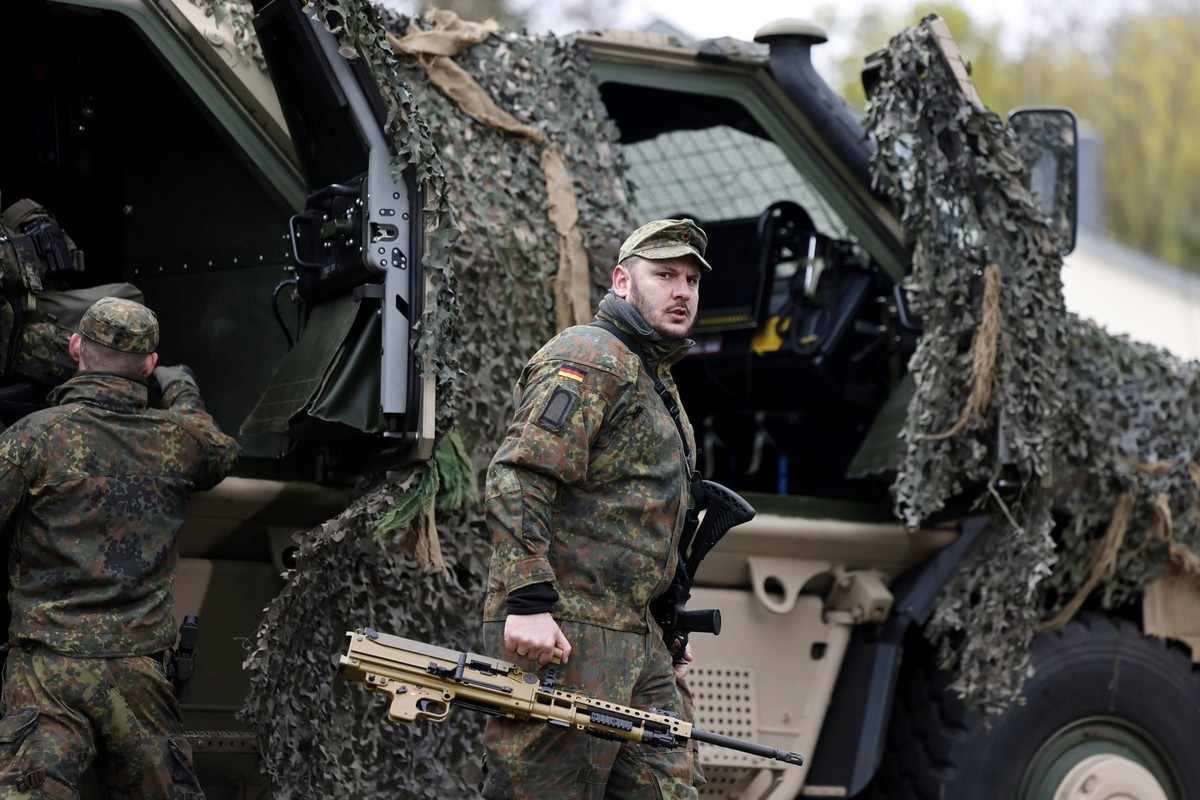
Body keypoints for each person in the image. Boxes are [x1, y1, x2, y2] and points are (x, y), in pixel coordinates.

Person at [481, 219, 712, 799]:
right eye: (664, 275)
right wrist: (528, 602)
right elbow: (520, 475)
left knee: (669, 787)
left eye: (691, 280)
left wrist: (661, 626)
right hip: (566, 631)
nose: (682, 292)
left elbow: (638, 518)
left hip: (634, 636)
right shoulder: (591, 357)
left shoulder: (652, 376)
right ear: (622, 281)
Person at [0, 296, 239, 798]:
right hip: (137, 674)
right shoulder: (178, 440)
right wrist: (181, 387)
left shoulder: (33, 438)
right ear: (148, 365)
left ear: (75, 347)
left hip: (47, 671)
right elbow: (217, 447)